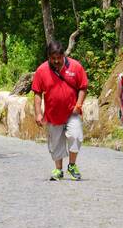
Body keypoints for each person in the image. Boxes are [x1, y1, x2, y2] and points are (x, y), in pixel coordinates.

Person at [30, 40, 88, 181]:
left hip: (72, 112)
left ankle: (72, 165)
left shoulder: (76, 67)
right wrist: (38, 113)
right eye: (53, 58)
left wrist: (78, 105)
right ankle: (58, 170)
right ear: (48, 57)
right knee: (55, 143)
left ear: (64, 55)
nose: (56, 61)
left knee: (76, 135)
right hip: (52, 114)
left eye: (59, 58)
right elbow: (37, 93)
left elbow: (83, 87)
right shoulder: (41, 70)